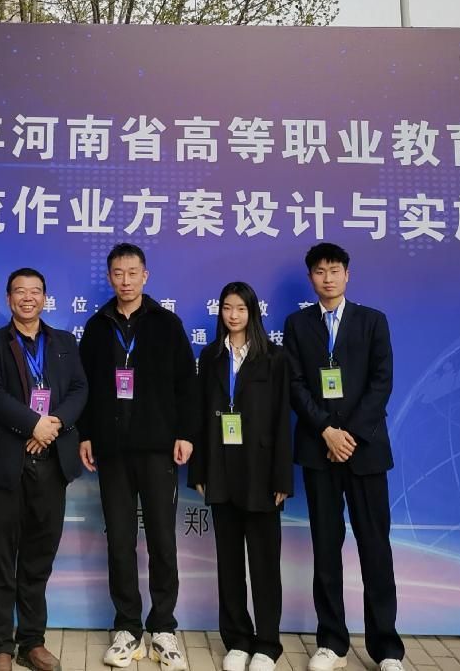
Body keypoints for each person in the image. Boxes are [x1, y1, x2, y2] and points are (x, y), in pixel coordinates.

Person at [282, 244, 406, 671]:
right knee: (325, 547)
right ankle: (331, 642)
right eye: (320, 271)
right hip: (320, 451)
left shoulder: (373, 321)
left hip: (365, 451)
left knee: (376, 548)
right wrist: (326, 431)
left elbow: (382, 382)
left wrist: (348, 435)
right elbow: (295, 384)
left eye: (334, 270)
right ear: (311, 278)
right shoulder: (297, 325)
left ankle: (386, 649)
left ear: (347, 274)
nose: (328, 278)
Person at [79, 243, 199, 671]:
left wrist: (185, 434)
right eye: (118, 273)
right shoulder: (97, 327)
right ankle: (127, 627)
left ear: (145, 276)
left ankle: (163, 626)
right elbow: (85, 386)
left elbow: (187, 384)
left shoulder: (166, 324)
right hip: (112, 451)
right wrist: (86, 435)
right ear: (109, 277)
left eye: (133, 273)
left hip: (157, 449)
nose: (125, 281)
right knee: (120, 540)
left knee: (163, 539)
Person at [0, 267, 89, 671]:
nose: (28, 298)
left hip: (52, 463)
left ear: (45, 298)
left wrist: (52, 424)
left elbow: (80, 389)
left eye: (35, 291)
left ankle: (32, 642)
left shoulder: (64, 342)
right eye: (20, 292)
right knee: (1, 558)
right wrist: (32, 425)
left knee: (39, 557)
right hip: (8, 462)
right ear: (8, 299)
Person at [189, 281, 293, 671]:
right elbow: (200, 416)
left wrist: (282, 478)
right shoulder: (211, 356)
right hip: (221, 469)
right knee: (229, 562)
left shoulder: (274, 358)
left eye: (241, 309)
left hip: (262, 472)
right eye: (227, 308)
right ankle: (236, 639)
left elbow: (283, 421)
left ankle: (267, 644)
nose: (233, 315)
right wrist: (199, 470)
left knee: (264, 564)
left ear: (253, 313)